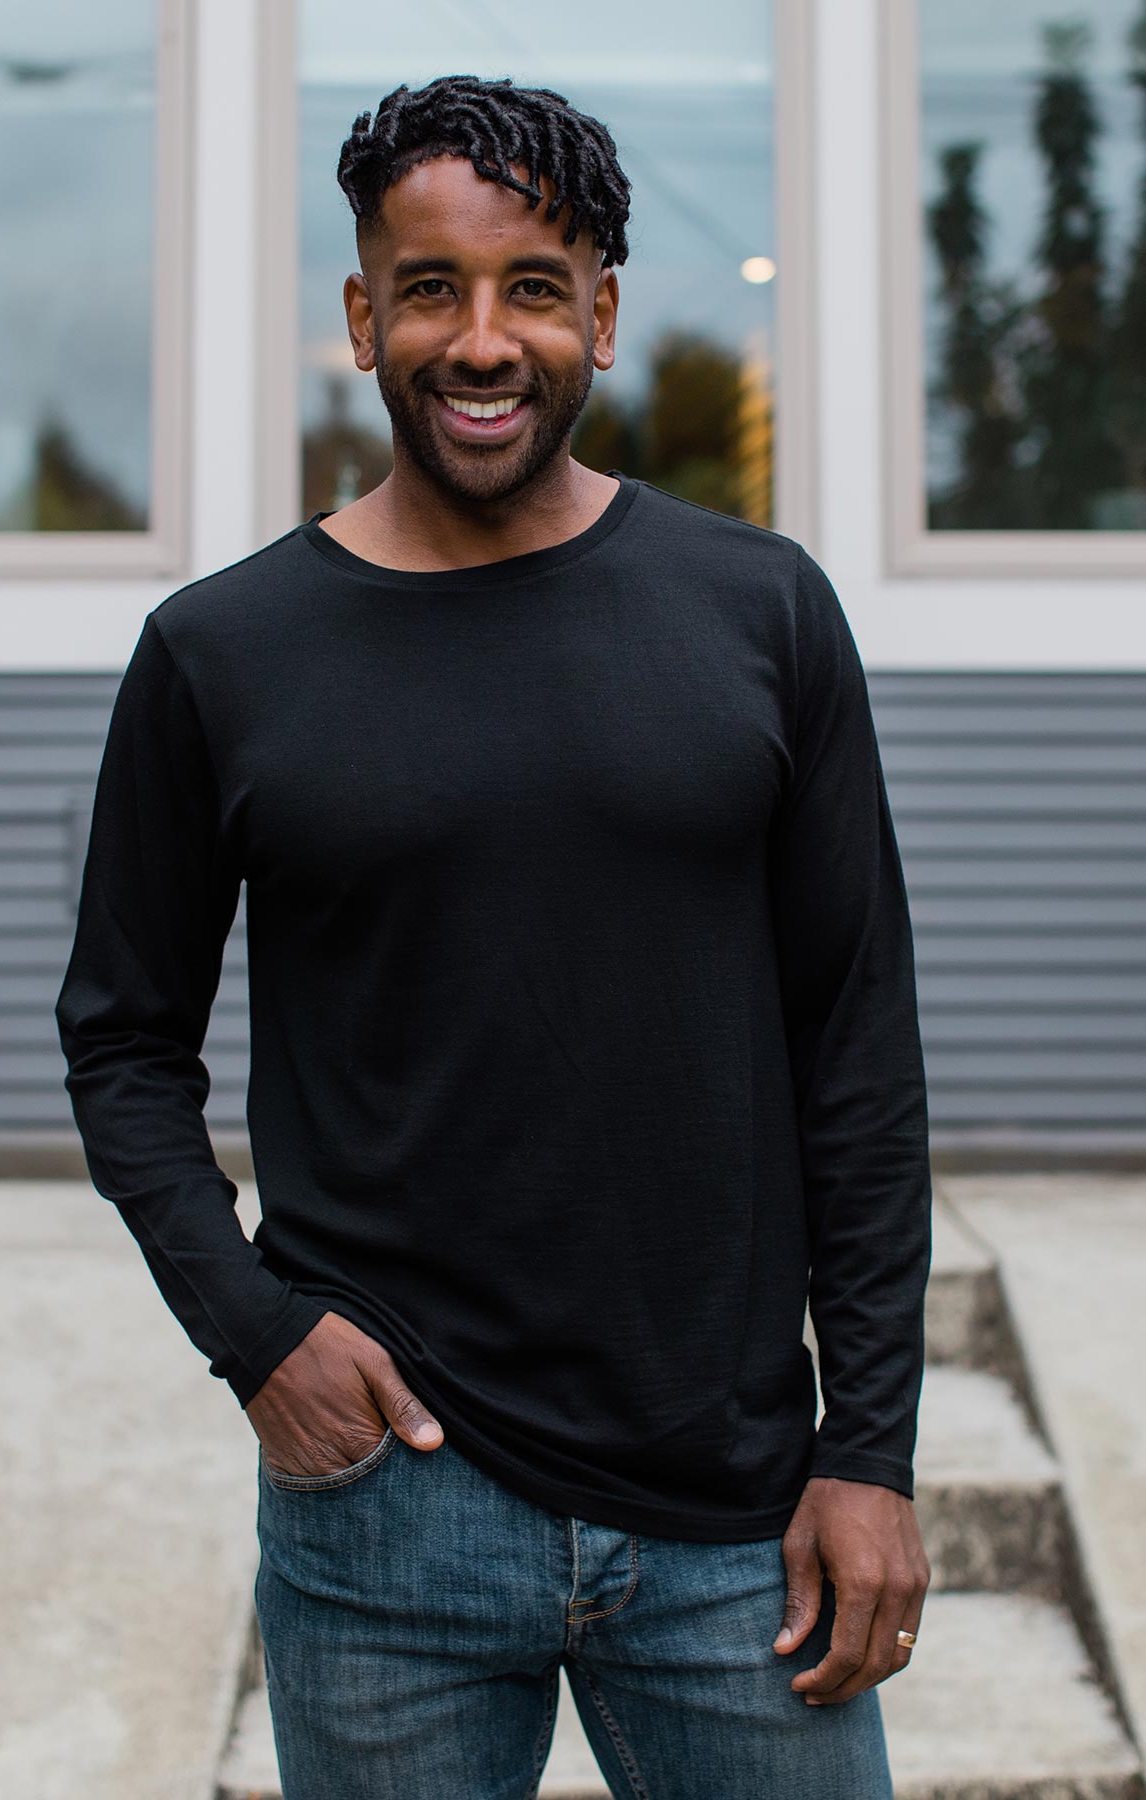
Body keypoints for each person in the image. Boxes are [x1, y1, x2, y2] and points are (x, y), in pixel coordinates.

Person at [55, 72, 932, 1800]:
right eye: (432, 288)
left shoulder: (760, 613)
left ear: (601, 313)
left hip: (734, 1520)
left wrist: (873, 1451)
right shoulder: (221, 654)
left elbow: (857, 1048)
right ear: (364, 314)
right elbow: (124, 1037)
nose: (482, 339)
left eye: (533, 285)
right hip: (393, 1515)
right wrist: (252, 1330)